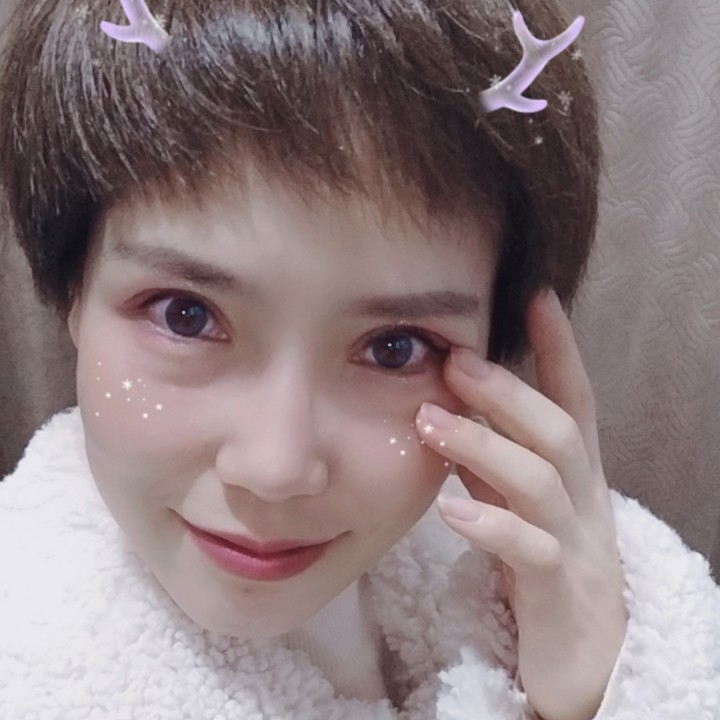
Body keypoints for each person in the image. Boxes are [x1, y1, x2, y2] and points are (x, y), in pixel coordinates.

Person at [0, 0, 717, 718]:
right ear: (74, 292)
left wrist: (603, 689)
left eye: (392, 348)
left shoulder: (517, 579)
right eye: (185, 315)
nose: (276, 468)